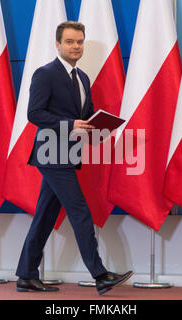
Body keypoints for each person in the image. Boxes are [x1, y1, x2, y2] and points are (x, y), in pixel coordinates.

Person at [15, 21, 133, 295]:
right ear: (58, 44)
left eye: (79, 41)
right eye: (70, 41)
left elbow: (86, 115)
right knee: (80, 212)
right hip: (51, 153)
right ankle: (100, 275)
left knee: (44, 217)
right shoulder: (44, 74)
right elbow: (34, 114)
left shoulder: (83, 78)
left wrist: (99, 127)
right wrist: (72, 124)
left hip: (68, 153)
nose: (76, 46)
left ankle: (26, 275)